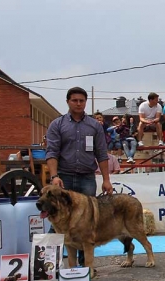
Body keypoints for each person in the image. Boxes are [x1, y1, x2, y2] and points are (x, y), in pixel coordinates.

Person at [45, 86, 113, 266]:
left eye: (81, 100)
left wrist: (106, 180)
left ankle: (85, 267)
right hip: (63, 179)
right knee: (58, 221)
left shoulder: (94, 126)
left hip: (87, 178)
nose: (78, 103)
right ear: (68, 101)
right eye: (74, 100)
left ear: (85, 102)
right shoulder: (57, 125)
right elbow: (52, 153)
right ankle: (49, 266)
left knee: (87, 223)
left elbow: (102, 154)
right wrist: (54, 177)